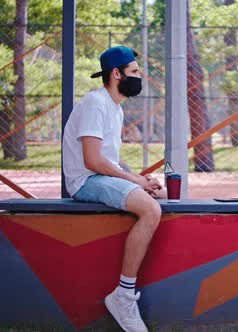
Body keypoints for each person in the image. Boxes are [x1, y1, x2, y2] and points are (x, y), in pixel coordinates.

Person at [62, 46, 163, 332]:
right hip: (85, 181)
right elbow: (92, 161)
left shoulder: (114, 108)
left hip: (100, 176)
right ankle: (124, 295)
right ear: (116, 74)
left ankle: (124, 296)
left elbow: (111, 159)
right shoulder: (95, 103)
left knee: (164, 194)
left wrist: (139, 177)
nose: (139, 77)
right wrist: (133, 182)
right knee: (150, 209)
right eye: (133, 72)